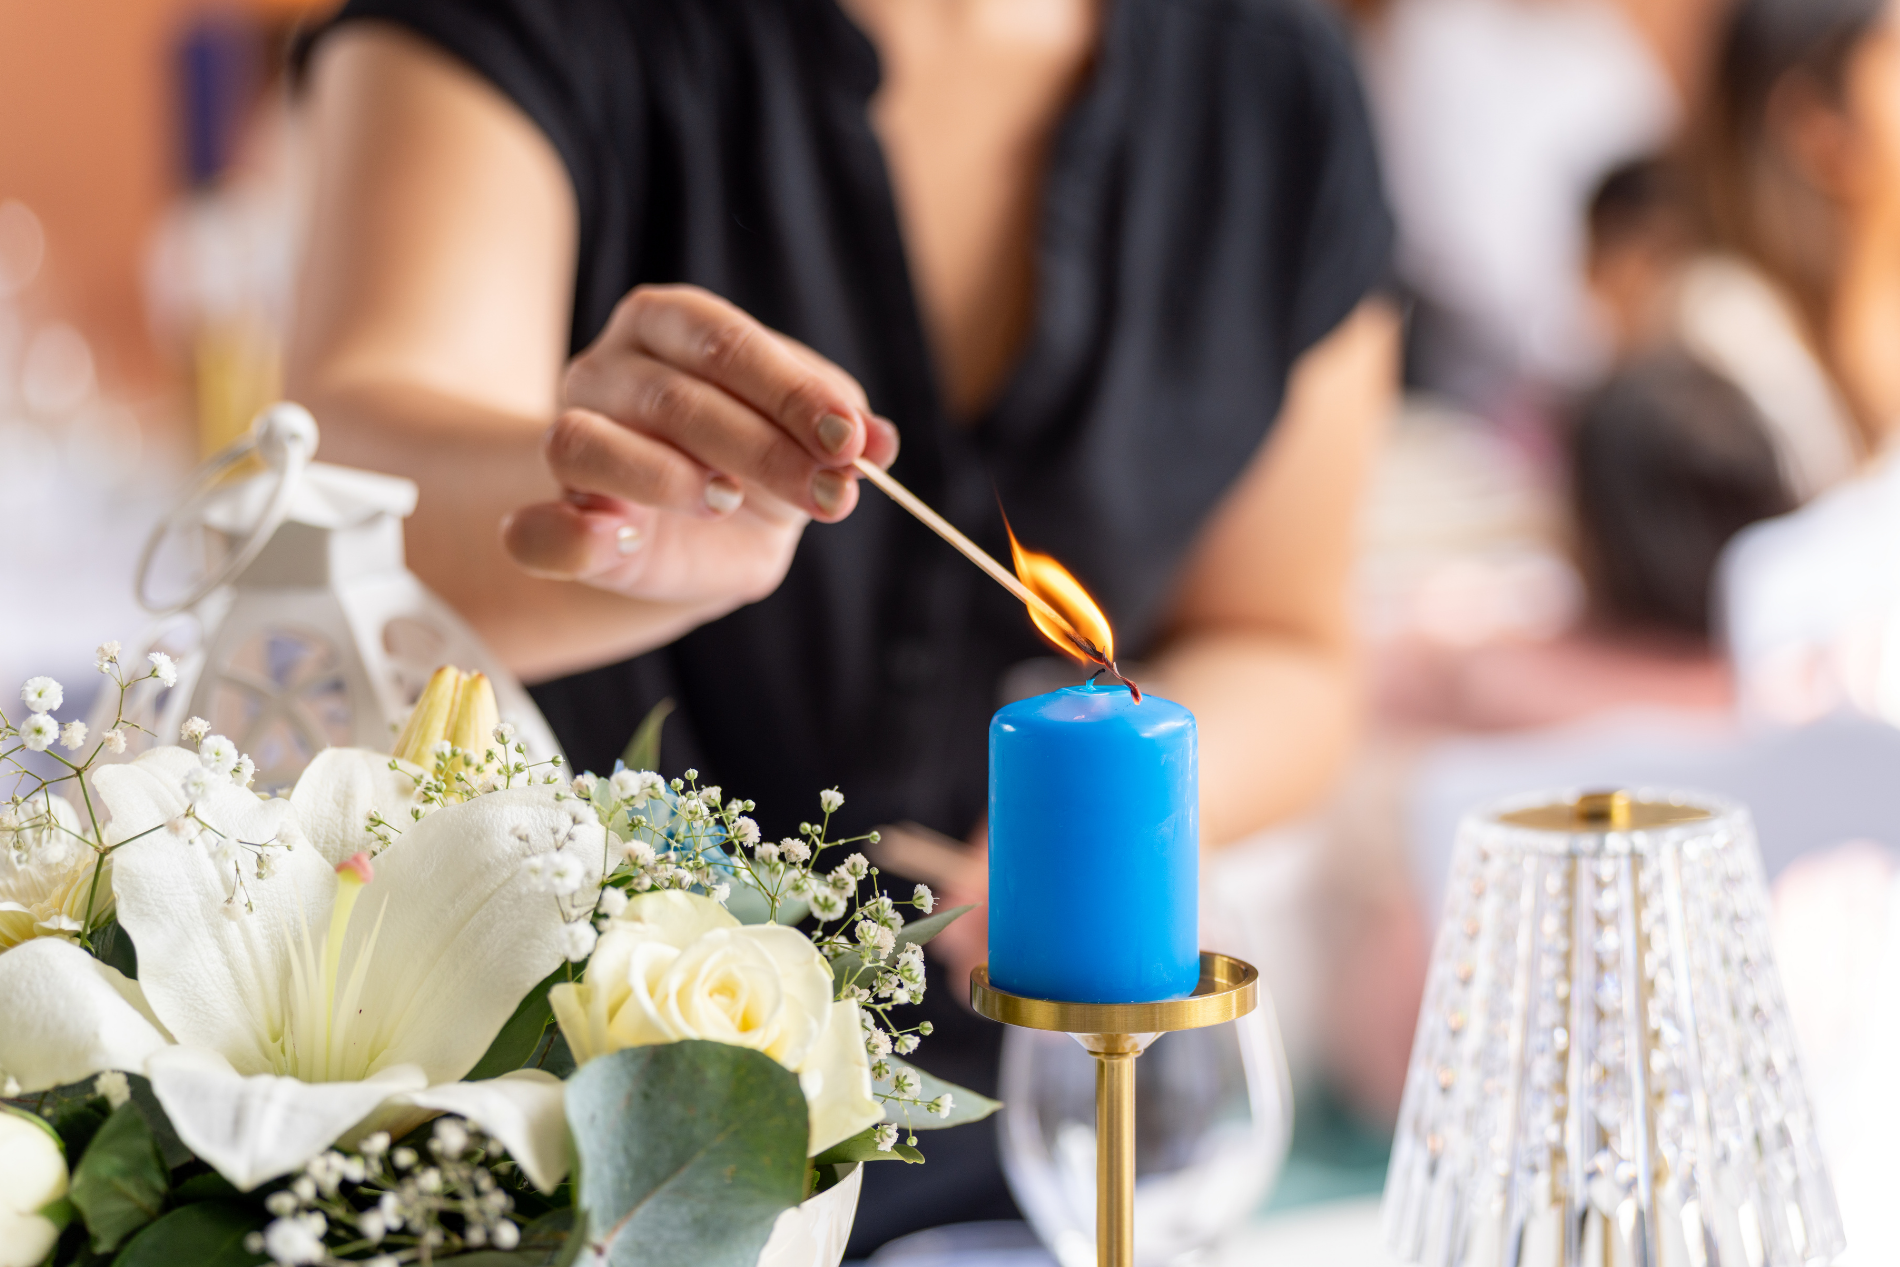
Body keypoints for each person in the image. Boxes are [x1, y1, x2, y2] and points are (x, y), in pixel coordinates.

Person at [286, 0, 1397, 1247]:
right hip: (583, 1142)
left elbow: (1282, 637)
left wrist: (1057, 853)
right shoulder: (539, 33)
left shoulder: (1272, 84)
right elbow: (336, 484)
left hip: (1042, 1138)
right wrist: (611, 506)